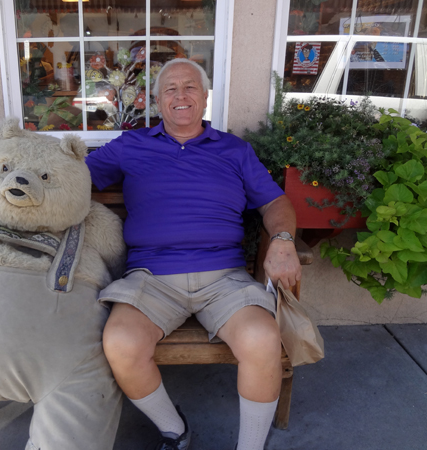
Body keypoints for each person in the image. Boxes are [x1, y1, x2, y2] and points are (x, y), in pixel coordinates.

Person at [85, 58, 301, 450]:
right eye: (170, 89)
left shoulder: (234, 150)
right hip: (151, 278)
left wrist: (283, 239)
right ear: (157, 100)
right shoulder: (131, 146)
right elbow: (72, 181)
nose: (180, 96)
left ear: (204, 98)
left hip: (225, 278)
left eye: (189, 88)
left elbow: (275, 203)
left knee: (262, 338)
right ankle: (176, 432)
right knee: (120, 343)